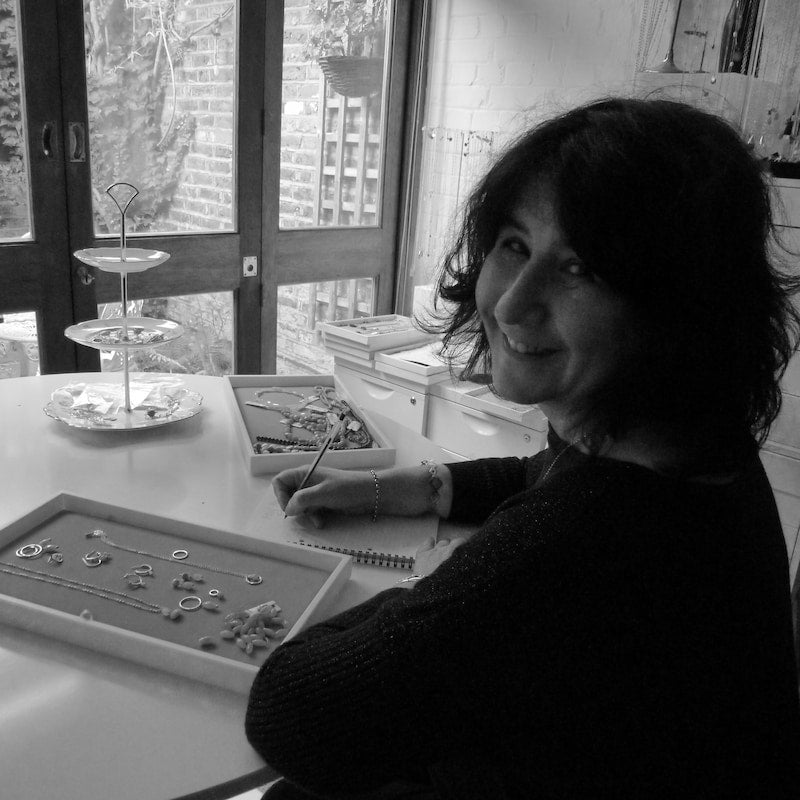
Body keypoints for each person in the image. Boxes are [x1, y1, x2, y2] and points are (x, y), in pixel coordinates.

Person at [245, 97, 800, 799]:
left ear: (677, 309)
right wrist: (400, 488)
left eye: (582, 270)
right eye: (515, 246)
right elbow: (541, 472)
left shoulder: (582, 546)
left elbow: (293, 715)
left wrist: (442, 597)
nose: (511, 304)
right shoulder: (690, 452)